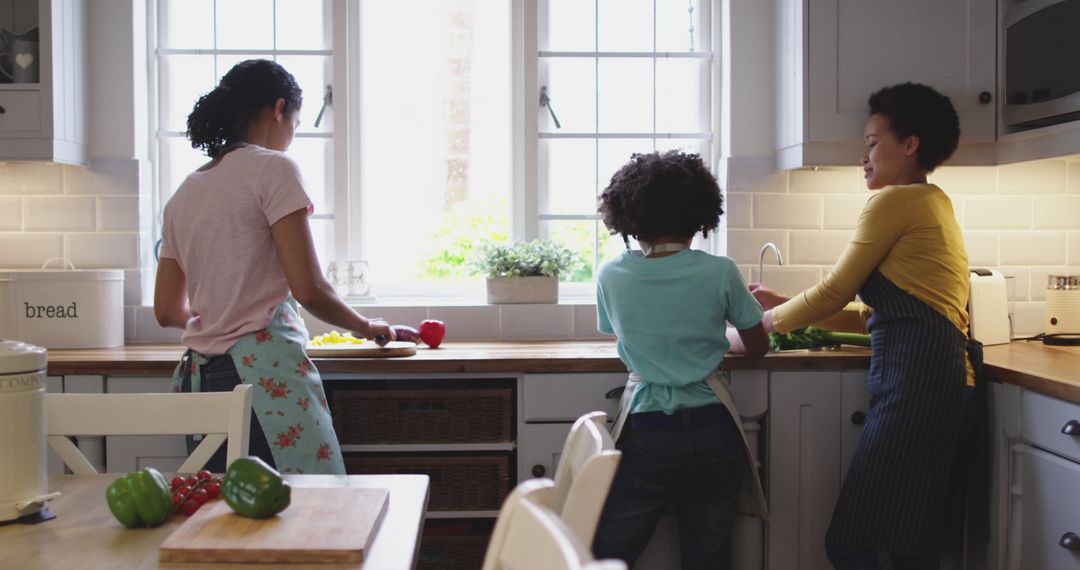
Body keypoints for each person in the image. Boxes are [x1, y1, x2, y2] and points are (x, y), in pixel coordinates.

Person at [751, 82, 985, 569]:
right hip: (946, 384)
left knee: (850, 542)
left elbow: (836, 290)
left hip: (919, 387)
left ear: (910, 144)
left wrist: (763, 325)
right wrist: (785, 304)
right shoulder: (934, 202)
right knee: (909, 546)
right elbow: (882, 312)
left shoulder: (893, 202)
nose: (864, 156)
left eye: (872, 142)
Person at [153, 59, 394, 475]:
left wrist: (219, 314)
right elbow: (310, 288)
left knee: (223, 520)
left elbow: (166, 311)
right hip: (262, 378)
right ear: (279, 109)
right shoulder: (273, 169)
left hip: (202, 380)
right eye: (296, 124)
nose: (291, 137)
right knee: (305, 513)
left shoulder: (184, 193)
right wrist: (365, 326)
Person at [590, 150, 770, 570]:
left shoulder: (611, 275)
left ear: (627, 217)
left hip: (650, 431)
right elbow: (758, 345)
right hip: (714, 429)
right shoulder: (721, 271)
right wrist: (721, 340)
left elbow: (625, 334)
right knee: (708, 555)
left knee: (610, 550)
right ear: (700, 214)